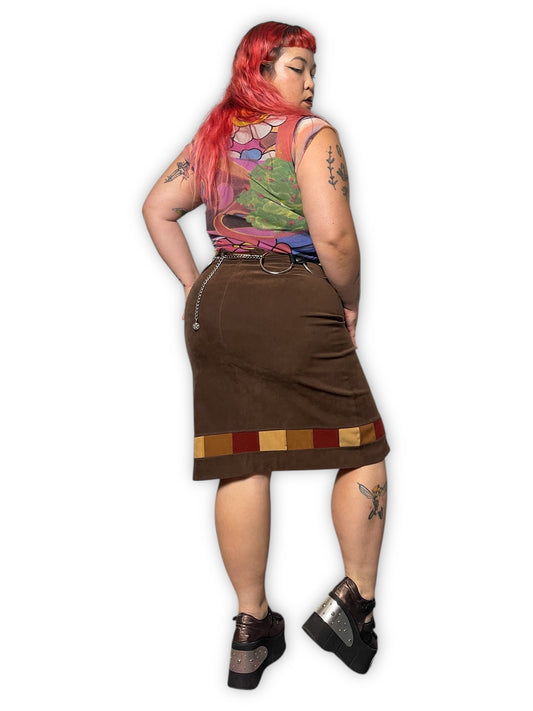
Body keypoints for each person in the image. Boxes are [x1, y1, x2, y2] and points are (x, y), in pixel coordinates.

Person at [142, 20, 390, 689]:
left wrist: (195, 285)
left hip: (217, 305)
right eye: (296, 67)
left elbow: (158, 208)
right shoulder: (310, 135)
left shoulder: (215, 136)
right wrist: (350, 300)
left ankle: (251, 629)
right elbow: (334, 239)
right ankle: (354, 606)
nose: (309, 84)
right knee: (361, 445)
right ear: (259, 68)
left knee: (242, 458)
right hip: (292, 298)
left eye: (313, 71)